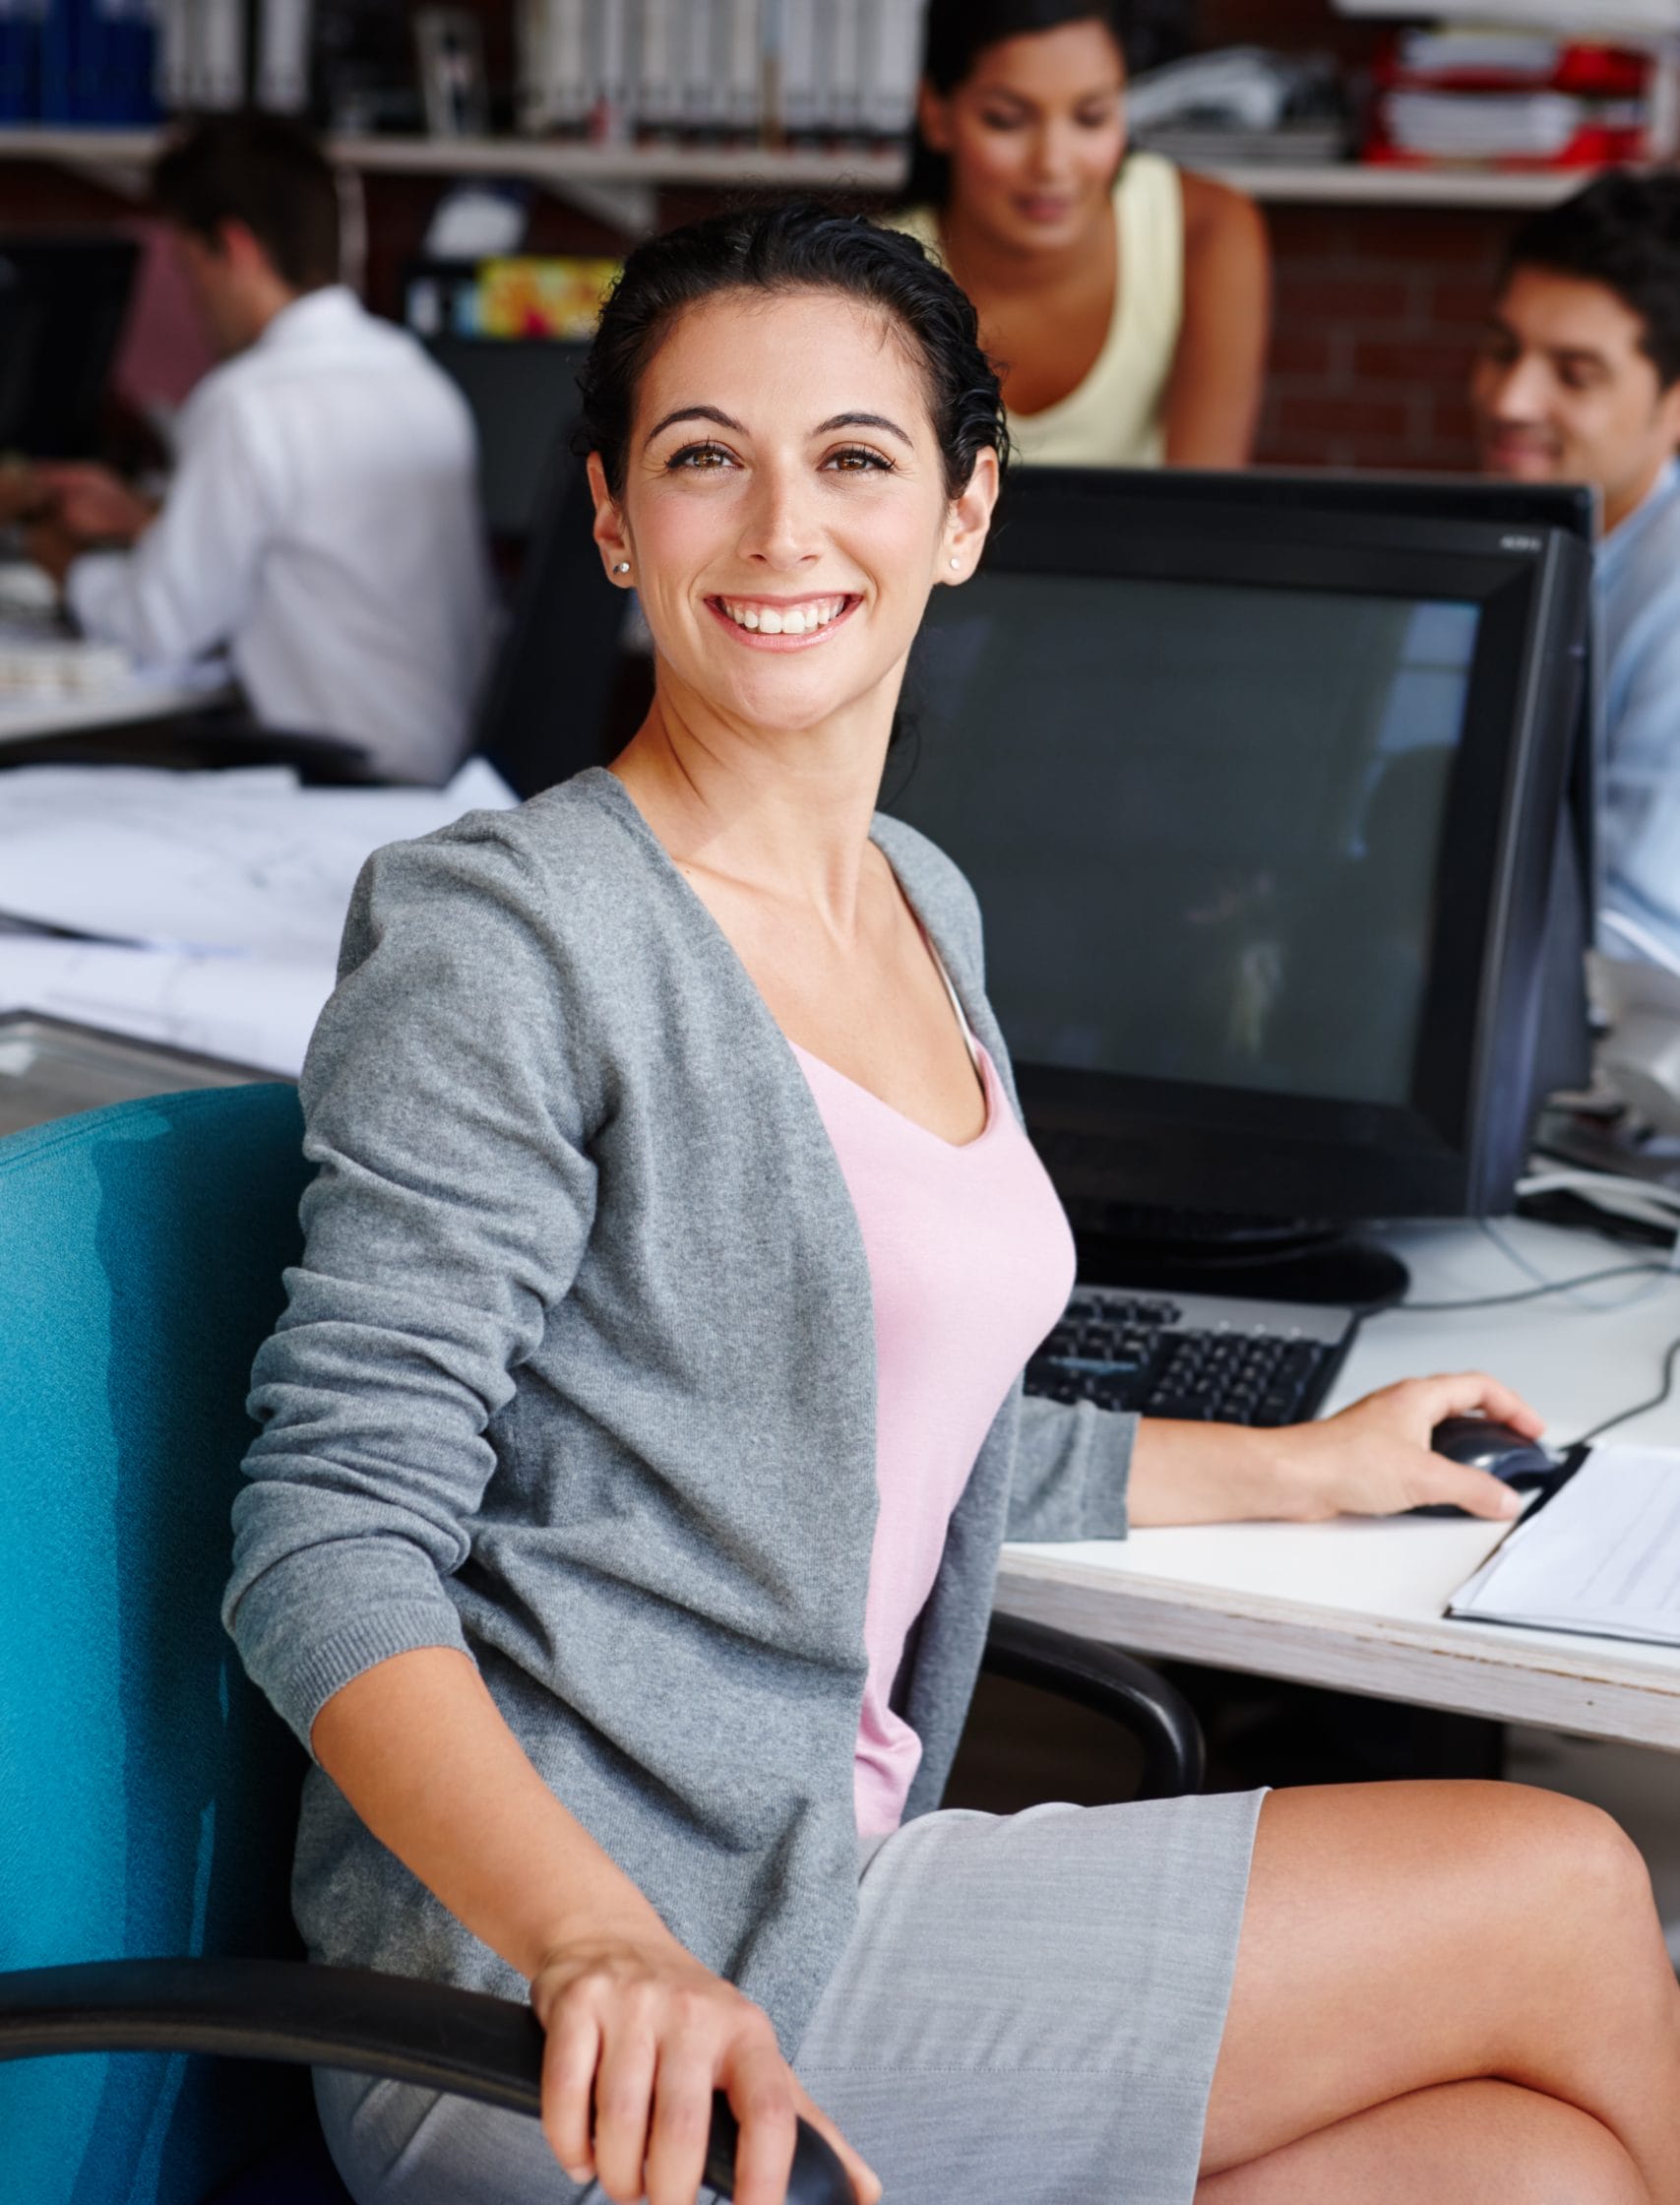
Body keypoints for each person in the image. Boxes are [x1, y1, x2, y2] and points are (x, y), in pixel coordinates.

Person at [224, 202, 1680, 2205]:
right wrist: (589, 1937)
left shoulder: (920, 897)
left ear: (967, 509)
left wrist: (1305, 1464)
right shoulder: (509, 935)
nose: (779, 528)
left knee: (1523, 2170)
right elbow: (328, 1531)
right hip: (573, 1992)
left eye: (854, 457)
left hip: (821, 1872)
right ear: (615, 517)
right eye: (703, 456)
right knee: (1562, 1882)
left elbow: (875, 1418)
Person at [18, 112, 496, 786]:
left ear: (235, 248)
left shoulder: (250, 399)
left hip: (343, 779)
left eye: (190, 271)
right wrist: (147, 522)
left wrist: (61, 562)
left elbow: (159, 627)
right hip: (439, 770)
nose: (193, 303)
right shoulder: (414, 376)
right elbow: (320, 548)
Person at [883, 0, 1270, 469]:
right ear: (936, 113)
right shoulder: (870, 278)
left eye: (1091, 117)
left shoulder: (1205, 231)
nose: (1053, 164)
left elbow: (1203, 519)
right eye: (1007, 120)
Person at [1472, 168, 1680, 969]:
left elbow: (1639, 945)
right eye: (1500, 351)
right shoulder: (1529, 536)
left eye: (1573, 374)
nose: (1509, 401)